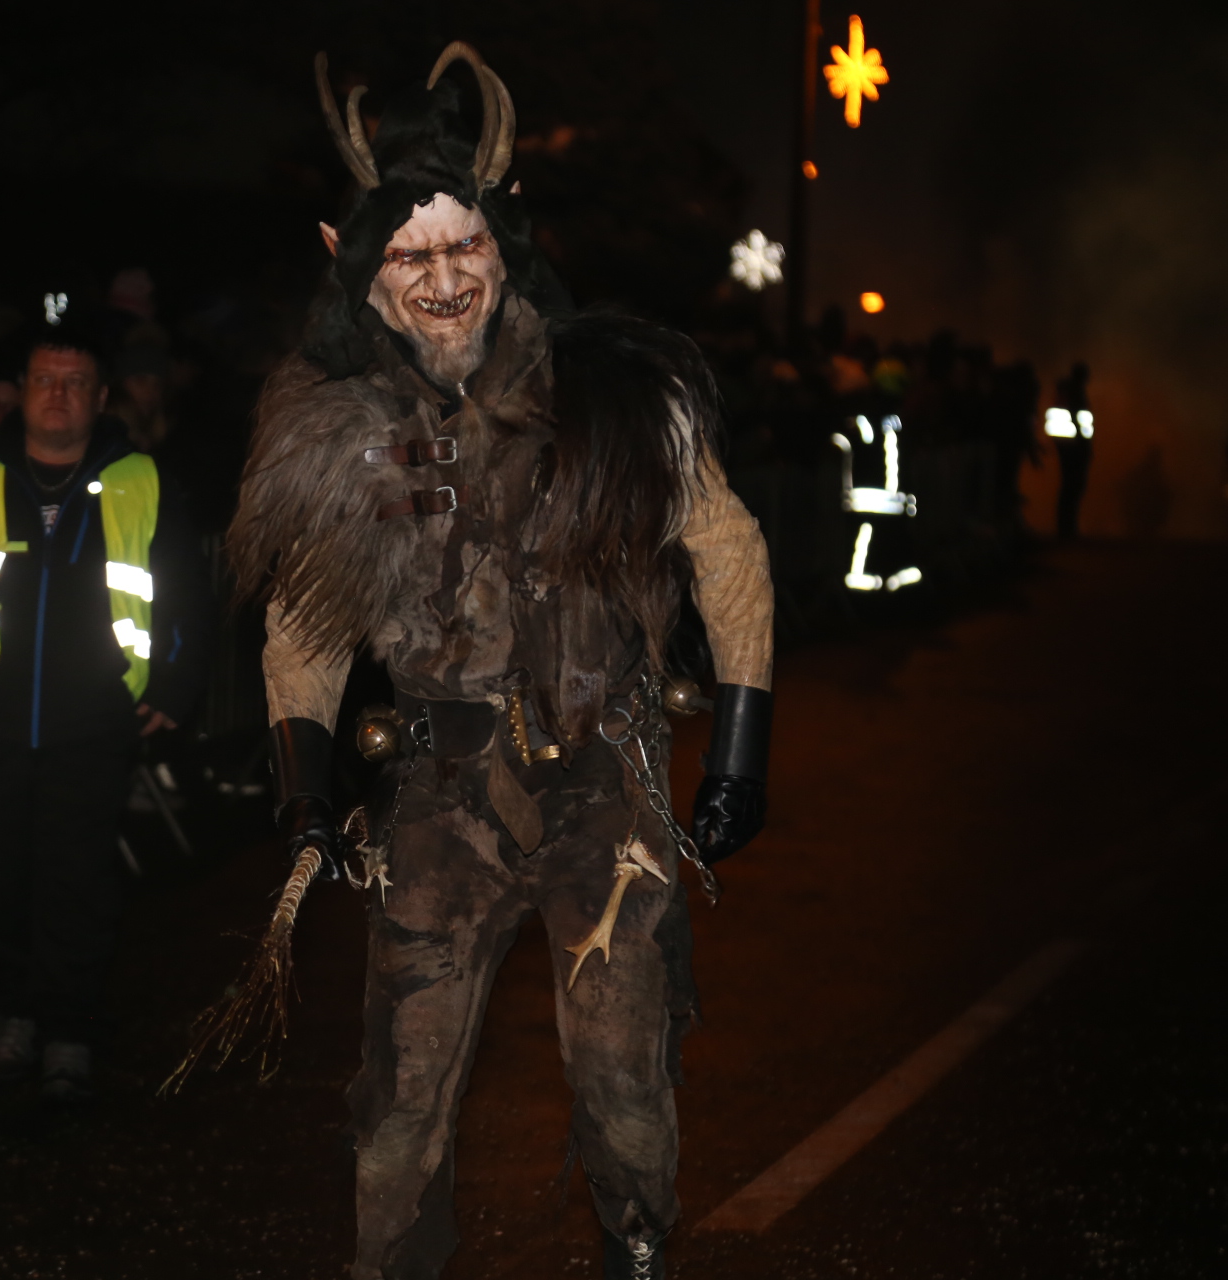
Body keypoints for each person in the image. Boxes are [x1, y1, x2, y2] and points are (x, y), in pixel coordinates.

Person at [227, 44, 775, 1279]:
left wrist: (741, 745)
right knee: (400, 1105)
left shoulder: (620, 394)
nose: (440, 278)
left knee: (625, 1081)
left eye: (461, 246)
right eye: (409, 255)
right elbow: (306, 625)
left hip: (603, 780)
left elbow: (727, 550)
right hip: (439, 797)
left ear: (504, 247)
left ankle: (639, 1243)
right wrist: (306, 782)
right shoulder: (335, 433)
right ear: (358, 268)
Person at [0, 317, 204, 1102]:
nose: (59, 395)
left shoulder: (140, 475)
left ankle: (69, 1033)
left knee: (78, 883)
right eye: (45, 379)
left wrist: (174, 687)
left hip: (93, 721)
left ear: (100, 397)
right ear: (22, 388)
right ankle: (12, 1017)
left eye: (76, 383)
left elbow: (182, 585)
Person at [1044, 361, 1094, 539]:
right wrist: (1083, 442)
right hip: (1074, 446)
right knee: (1073, 485)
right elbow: (1076, 416)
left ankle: (1066, 526)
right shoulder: (1075, 392)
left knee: (1069, 485)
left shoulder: (1064, 391)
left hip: (1064, 445)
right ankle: (1068, 526)